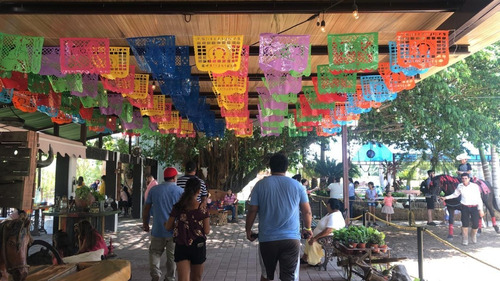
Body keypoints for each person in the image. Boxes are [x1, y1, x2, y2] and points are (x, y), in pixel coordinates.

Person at [246, 153, 313, 281]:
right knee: (289, 277)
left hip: (267, 239)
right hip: (291, 239)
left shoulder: (260, 185)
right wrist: (308, 229)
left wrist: (248, 230)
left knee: (266, 275)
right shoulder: (298, 186)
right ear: (286, 168)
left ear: (270, 167)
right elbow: (307, 212)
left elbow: (252, 211)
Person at [143, 167, 184, 281]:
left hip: (157, 230)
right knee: (172, 256)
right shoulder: (180, 191)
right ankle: (170, 277)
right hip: (174, 231)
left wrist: (145, 223)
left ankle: (155, 274)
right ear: (174, 178)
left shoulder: (154, 190)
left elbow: (146, 209)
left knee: (154, 253)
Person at [165, 178, 210, 281]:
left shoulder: (178, 207)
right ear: (199, 191)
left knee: (183, 279)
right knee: (196, 278)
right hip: (198, 246)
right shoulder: (202, 209)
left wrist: (172, 224)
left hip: (181, 245)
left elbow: (168, 227)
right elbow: (207, 231)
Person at [440, 173, 484, 245]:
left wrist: (480, 209)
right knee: (465, 223)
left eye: (465, 178)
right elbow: (455, 194)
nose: (464, 180)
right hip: (464, 207)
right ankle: (465, 239)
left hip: (474, 207)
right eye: (462, 179)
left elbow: (479, 198)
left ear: (469, 179)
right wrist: (445, 198)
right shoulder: (460, 186)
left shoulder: (475, 186)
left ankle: (473, 235)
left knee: (475, 224)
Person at [301, 198, 345, 266]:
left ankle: (315, 261)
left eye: (327, 204)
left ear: (330, 205)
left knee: (312, 242)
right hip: (322, 237)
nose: (326, 206)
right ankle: (305, 257)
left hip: (327, 239)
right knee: (309, 239)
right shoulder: (330, 214)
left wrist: (315, 238)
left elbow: (329, 230)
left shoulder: (334, 216)